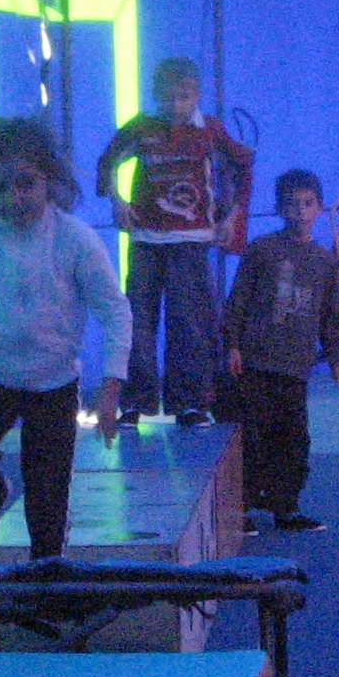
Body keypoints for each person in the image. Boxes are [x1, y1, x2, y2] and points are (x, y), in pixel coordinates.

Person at [0, 117, 128, 559]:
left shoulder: (75, 240)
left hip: (53, 384)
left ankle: (48, 570)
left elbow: (115, 311)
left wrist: (111, 384)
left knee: (47, 492)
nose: (13, 198)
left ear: (49, 181)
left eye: (26, 184)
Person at [95, 57, 251, 427]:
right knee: (138, 321)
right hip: (146, 239)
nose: (176, 105)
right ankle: (135, 402)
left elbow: (243, 167)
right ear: (155, 94)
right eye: (167, 97)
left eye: (183, 97)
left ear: (197, 95)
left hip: (192, 239)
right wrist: (117, 201)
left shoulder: (209, 130)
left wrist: (232, 216)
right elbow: (107, 162)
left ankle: (190, 403)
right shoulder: (141, 127)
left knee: (190, 323)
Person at [224, 168, 339, 534]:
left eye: (308, 204)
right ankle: (242, 509)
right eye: (293, 204)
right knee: (252, 438)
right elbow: (238, 301)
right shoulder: (261, 250)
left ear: (320, 208)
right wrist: (232, 344)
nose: (301, 212)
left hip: (295, 368)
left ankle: (287, 507)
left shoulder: (325, 262)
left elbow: (330, 315)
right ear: (279, 209)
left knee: (293, 440)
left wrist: (336, 359)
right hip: (256, 363)